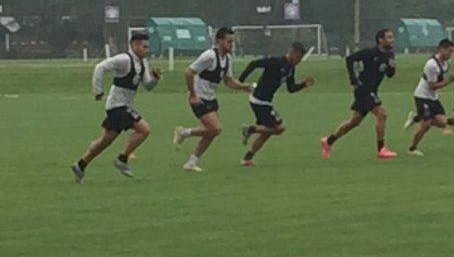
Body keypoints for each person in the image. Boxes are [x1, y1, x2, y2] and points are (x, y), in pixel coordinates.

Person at [71, 32, 160, 182]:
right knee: (144, 129)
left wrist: (155, 79)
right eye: (144, 47)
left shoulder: (143, 62)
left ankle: (80, 165)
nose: (147, 50)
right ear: (135, 45)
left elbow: (147, 86)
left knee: (105, 141)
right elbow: (100, 67)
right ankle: (122, 159)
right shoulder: (124, 59)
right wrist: (98, 90)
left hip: (124, 105)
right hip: (117, 105)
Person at [173, 27, 252, 171]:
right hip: (199, 98)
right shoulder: (209, 56)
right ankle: (183, 133)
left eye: (232, 42)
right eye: (229, 41)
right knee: (215, 128)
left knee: (212, 132)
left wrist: (243, 86)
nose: (231, 44)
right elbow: (188, 72)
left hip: (211, 98)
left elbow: (228, 81)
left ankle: (191, 162)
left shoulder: (227, 59)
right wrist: (192, 94)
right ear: (219, 41)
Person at [320, 29, 398, 160]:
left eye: (392, 37)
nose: (392, 40)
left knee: (353, 122)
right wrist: (353, 78)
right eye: (389, 37)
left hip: (372, 90)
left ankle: (328, 141)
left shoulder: (390, 55)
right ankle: (381, 149)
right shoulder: (369, 53)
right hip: (364, 90)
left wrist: (392, 67)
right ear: (380, 40)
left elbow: (389, 74)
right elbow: (350, 59)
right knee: (382, 114)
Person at [237, 42, 315, 166]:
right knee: (279, 128)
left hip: (265, 102)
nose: (299, 61)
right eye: (298, 57)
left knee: (268, 132)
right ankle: (250, 129)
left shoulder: (290, 68)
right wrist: (240, 81)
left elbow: (291, 88)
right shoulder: (276, 62)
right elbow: (254, 64)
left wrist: (304, 84)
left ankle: (247, 159)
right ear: (292, 52)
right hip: (260, 101)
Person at [405, 38, 454, 156]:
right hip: (422, 95)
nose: (450, 54)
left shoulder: (445, 64)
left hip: (433, 97)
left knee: (442, 122)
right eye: (449, 51)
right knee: (425, 125)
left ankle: (417, 118)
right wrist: (449, 80)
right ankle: (412, 148)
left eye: (452, 51)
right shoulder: (431, 65)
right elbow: (432, 86)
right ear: (441, 49)